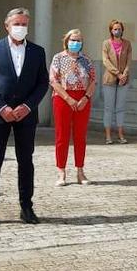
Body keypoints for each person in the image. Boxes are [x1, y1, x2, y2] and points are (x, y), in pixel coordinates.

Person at [0, 7, 49, 228]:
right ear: (7, 25)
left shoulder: (38, 51)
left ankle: (26, 206)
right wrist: (2, 108)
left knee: (26, 162)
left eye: (24, 24)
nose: (20, 28)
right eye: (16, 24)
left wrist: (28, 106)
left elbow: (42, 83)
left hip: (26, 116)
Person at [50, 28, 96, 186]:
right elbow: (53, 81)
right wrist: (68, 98)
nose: (75, 43)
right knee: (62, 136)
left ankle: (80, 171)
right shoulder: (58, 58)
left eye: (78, 40)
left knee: (80, 136)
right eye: (73, 40)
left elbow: (92, 81)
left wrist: (86, 97)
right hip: (63, 98)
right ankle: (61, 172)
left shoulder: (86, 59)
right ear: (66, 41)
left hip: (83, 98)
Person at [99, 20, 132, 144]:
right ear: (111, 31)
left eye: (119, 29)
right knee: (108, 108)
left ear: (122, 30)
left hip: (124, 79)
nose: (117, 31)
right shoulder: (106, 44)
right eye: (115, 29)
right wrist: (117, 73)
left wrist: (124, 74)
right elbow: (105, 61)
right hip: (110, 79)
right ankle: (108, 136)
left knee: (120, 108)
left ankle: (120, 134)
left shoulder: (127, 44)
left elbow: (129, 60)